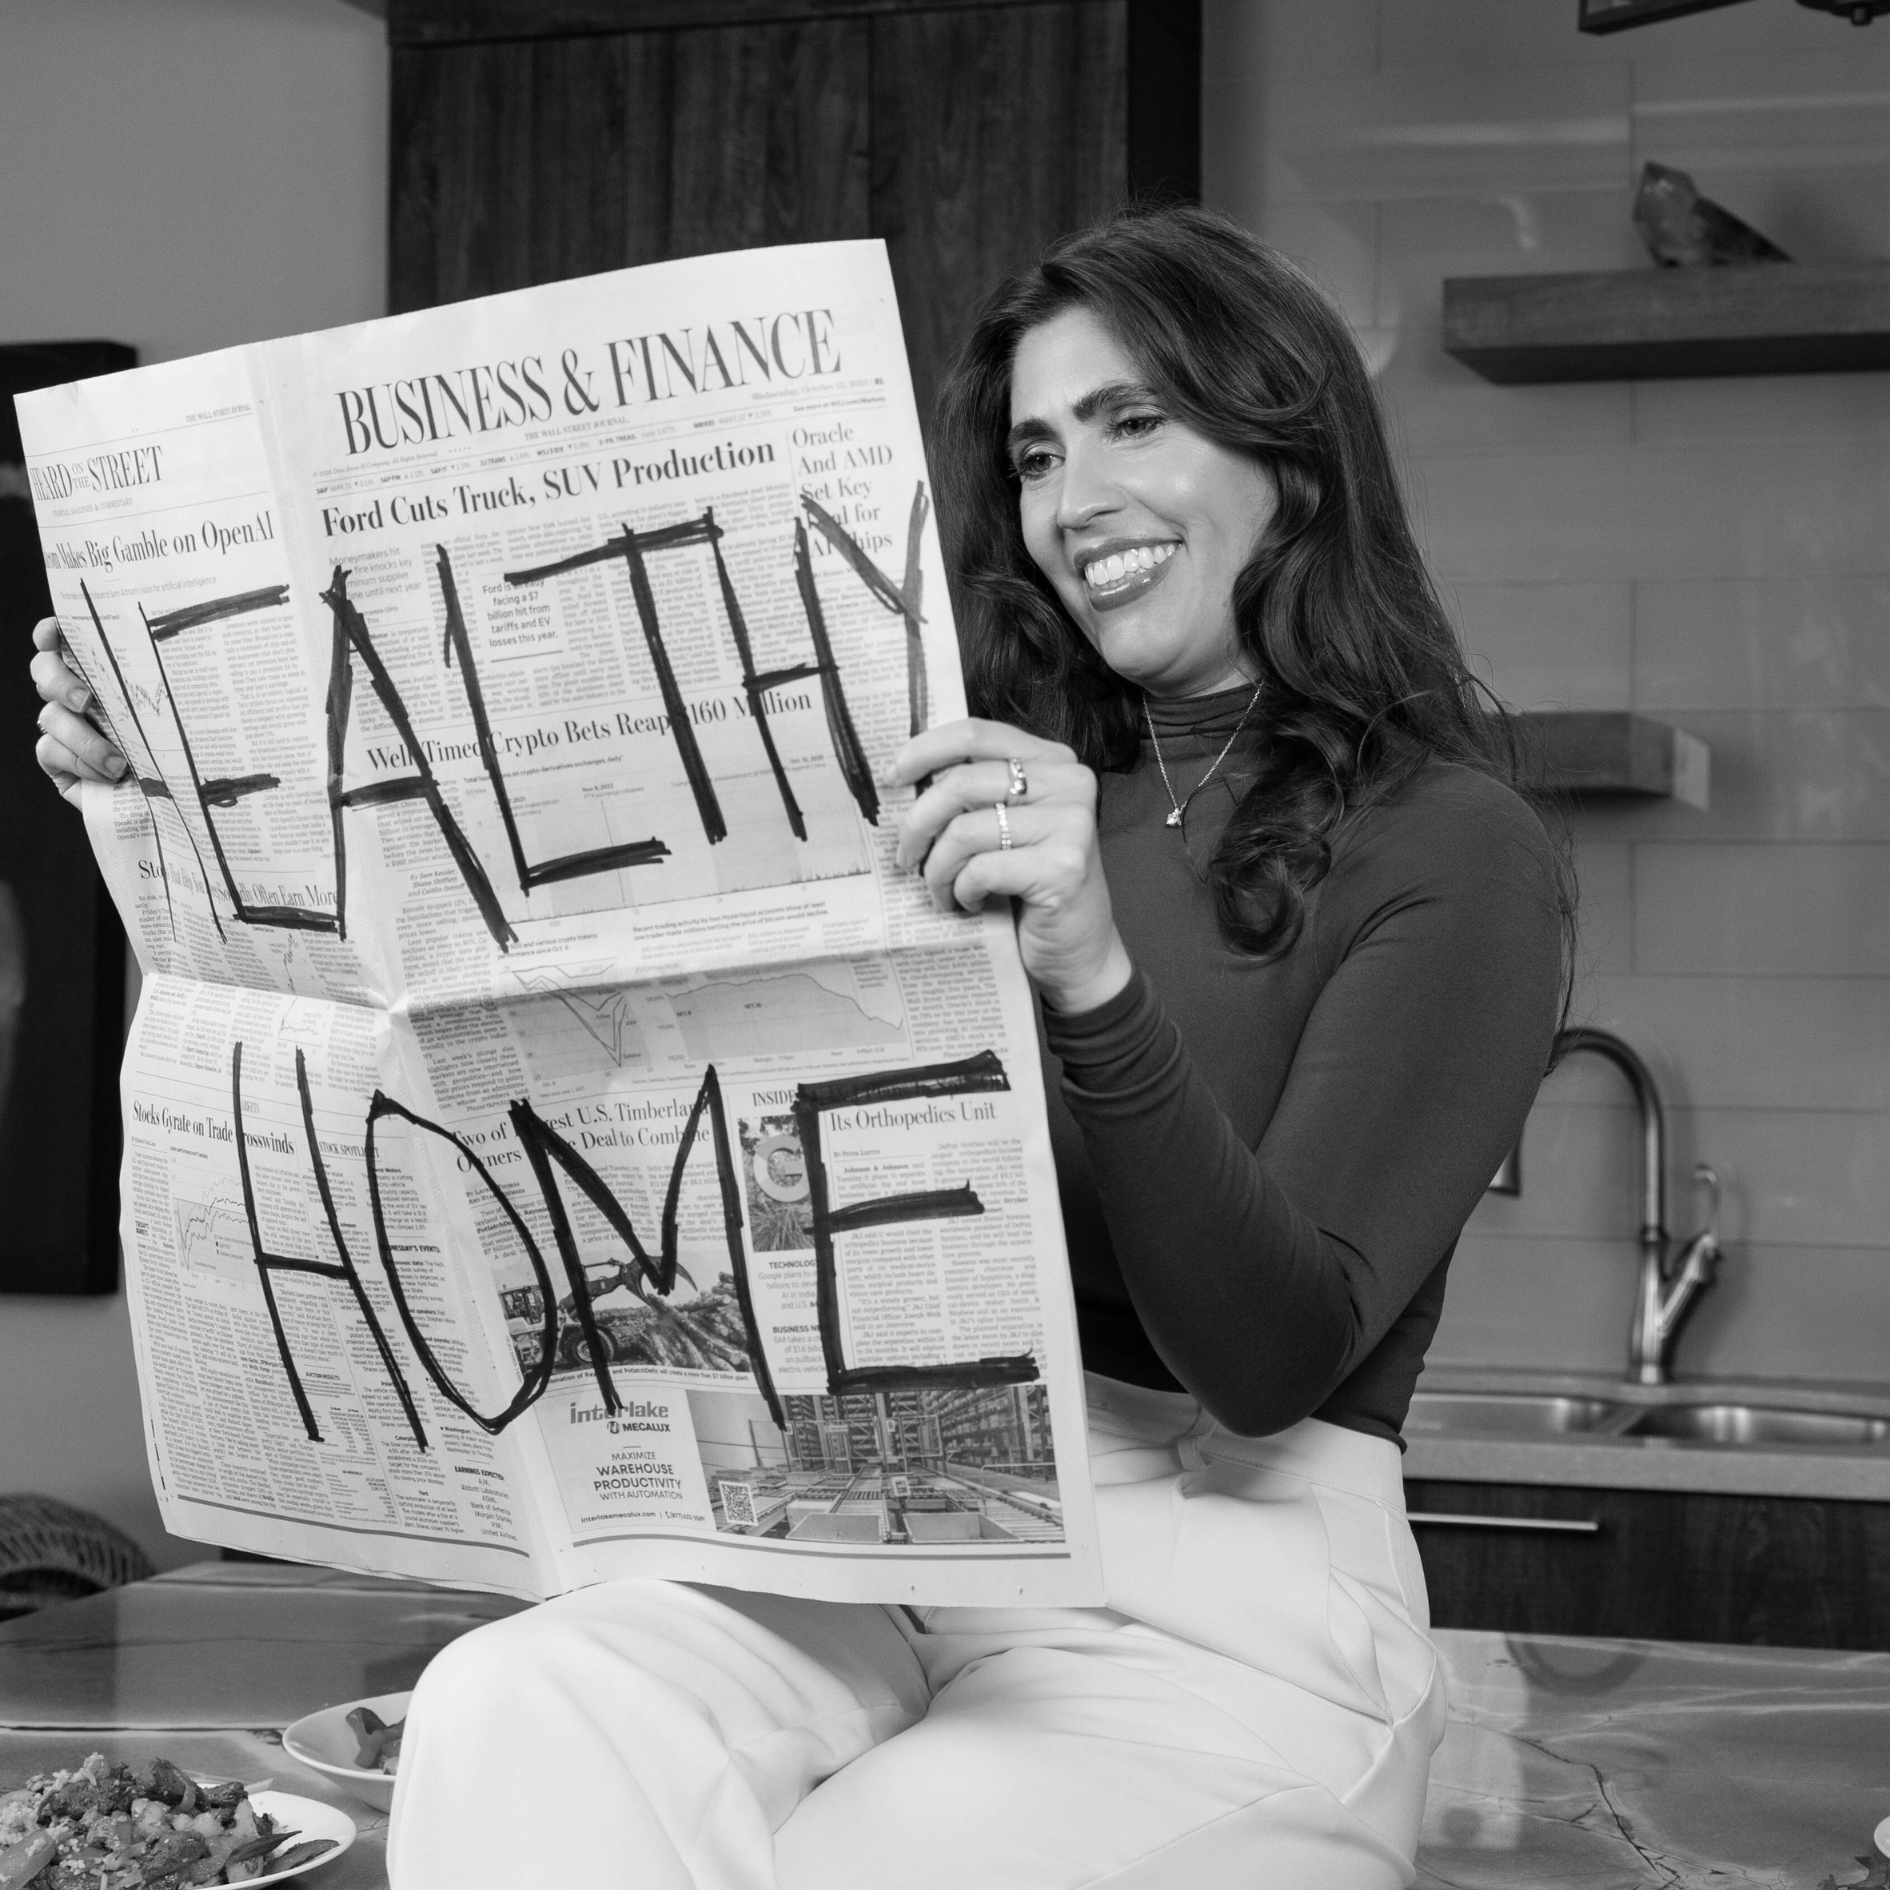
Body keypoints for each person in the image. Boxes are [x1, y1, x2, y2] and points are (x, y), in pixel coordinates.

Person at [32, 203, 1569, 1889]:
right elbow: (472, 926)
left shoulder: (1453, 845)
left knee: (867, 1859)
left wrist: (1091, 973)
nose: (1075, 500)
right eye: (1038, 449)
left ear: (1289, 444)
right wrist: (167, 782)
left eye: (1139, 419)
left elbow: (1269, 1361)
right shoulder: (961, 772)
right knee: (518, 1706)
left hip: (1229, 1595)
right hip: (893, 1530)